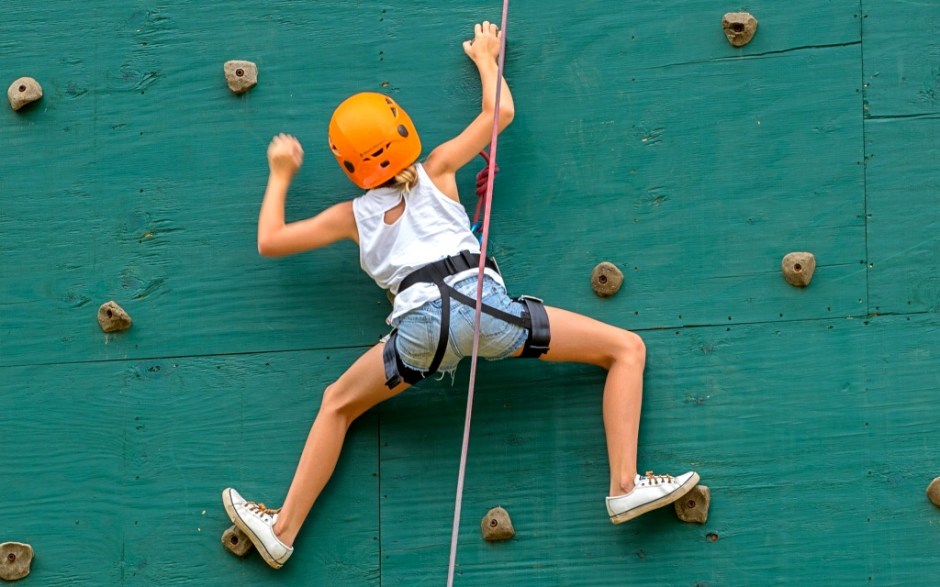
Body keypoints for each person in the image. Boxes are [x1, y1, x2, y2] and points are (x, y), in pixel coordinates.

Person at [222, 20, 699, 570]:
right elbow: (501, 114)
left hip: (419, 336)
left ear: (349, 165)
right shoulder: (438, 168)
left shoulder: (350, 217)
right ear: (403, 130)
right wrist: (487, 59)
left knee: (337, 404)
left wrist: (281, 172)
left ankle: (282, 530)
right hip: (482, 309)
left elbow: (271, 240)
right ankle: (624, 485)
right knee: (626, 349)